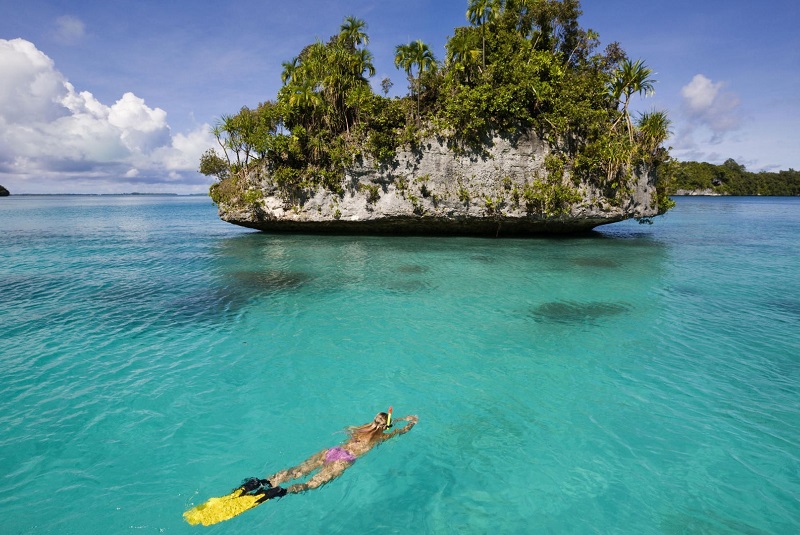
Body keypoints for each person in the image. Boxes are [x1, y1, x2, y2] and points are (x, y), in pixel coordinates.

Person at [244, 411, 418, 500]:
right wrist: (410, 422)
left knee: (296, 471)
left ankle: (263, 482)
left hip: (333, 451)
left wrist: (396, 419)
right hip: (344, 460)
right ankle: (282, 491)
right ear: (385, 427)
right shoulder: (381, 437)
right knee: (312, 483)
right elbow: (400, 431)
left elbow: (380, 423)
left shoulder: (361, 428)